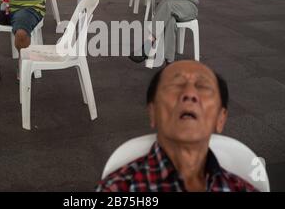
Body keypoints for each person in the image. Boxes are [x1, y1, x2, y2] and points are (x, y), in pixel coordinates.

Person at [96, 60, 258, 192]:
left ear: (220, 118)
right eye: (176, 85)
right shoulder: (116, 189)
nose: (189, 94)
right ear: (153, 112)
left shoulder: (242, 188)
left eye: (203, 86)